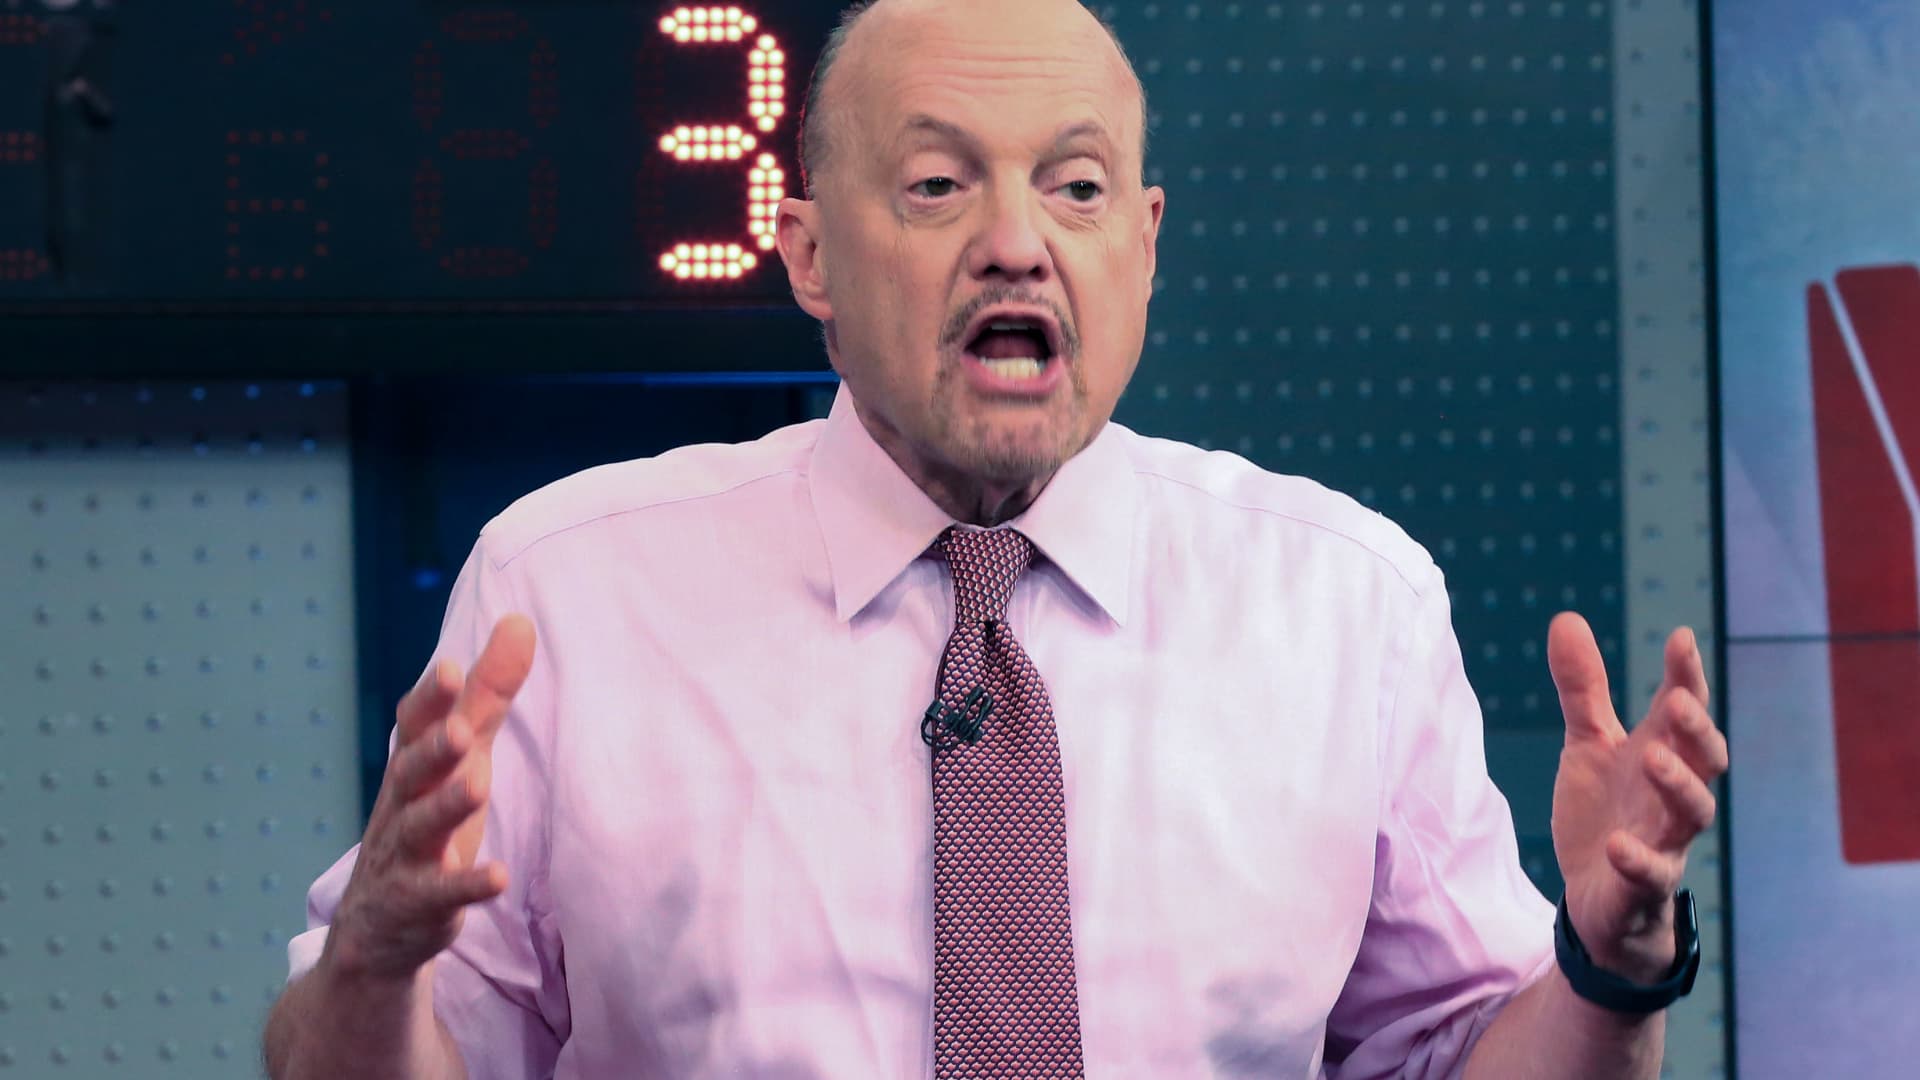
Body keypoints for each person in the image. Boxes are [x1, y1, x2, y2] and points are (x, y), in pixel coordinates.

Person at [261, 0, 1728, 1076]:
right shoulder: (569, 594)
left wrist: (1610, 964)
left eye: (1076, 188)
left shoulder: (1350, 608)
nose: (1018, 241)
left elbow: (1471, 1061)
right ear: (810, 254)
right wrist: (375, 971)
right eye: (938, 184)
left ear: (1143, 245)